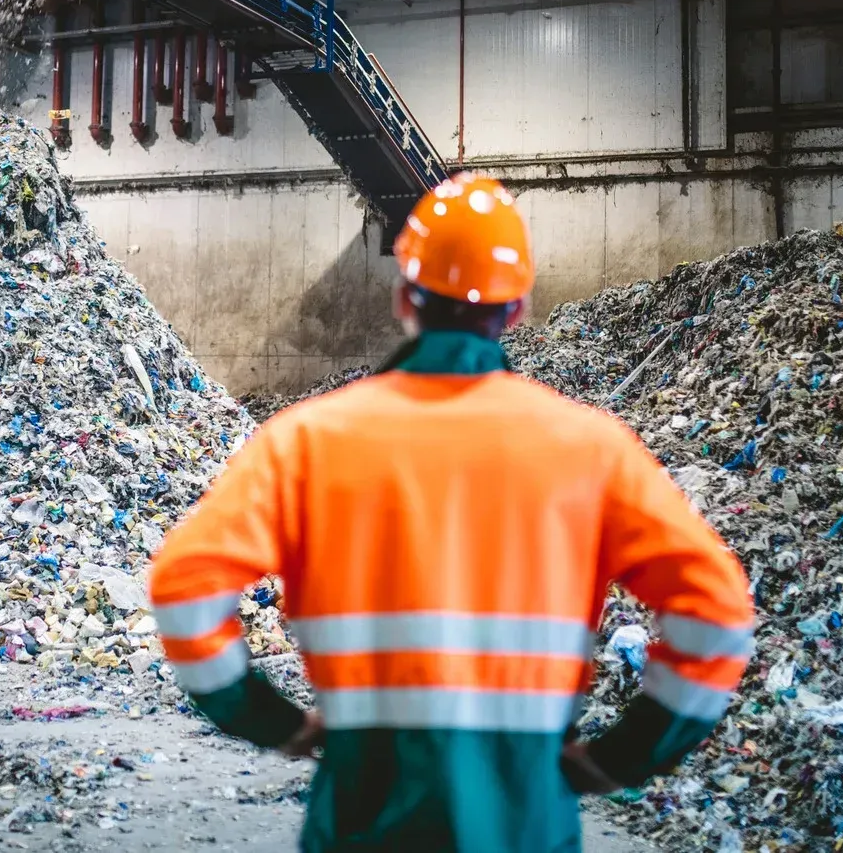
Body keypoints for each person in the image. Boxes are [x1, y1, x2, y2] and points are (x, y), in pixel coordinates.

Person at [148, 173, 755, 853]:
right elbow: (719, 614)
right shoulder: (592, 449)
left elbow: (184, 585)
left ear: (405, 295)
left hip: (360, 822)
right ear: (517, 309)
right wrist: (625, 754)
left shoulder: (307, 441)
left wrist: (268, 718)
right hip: (525, 823)